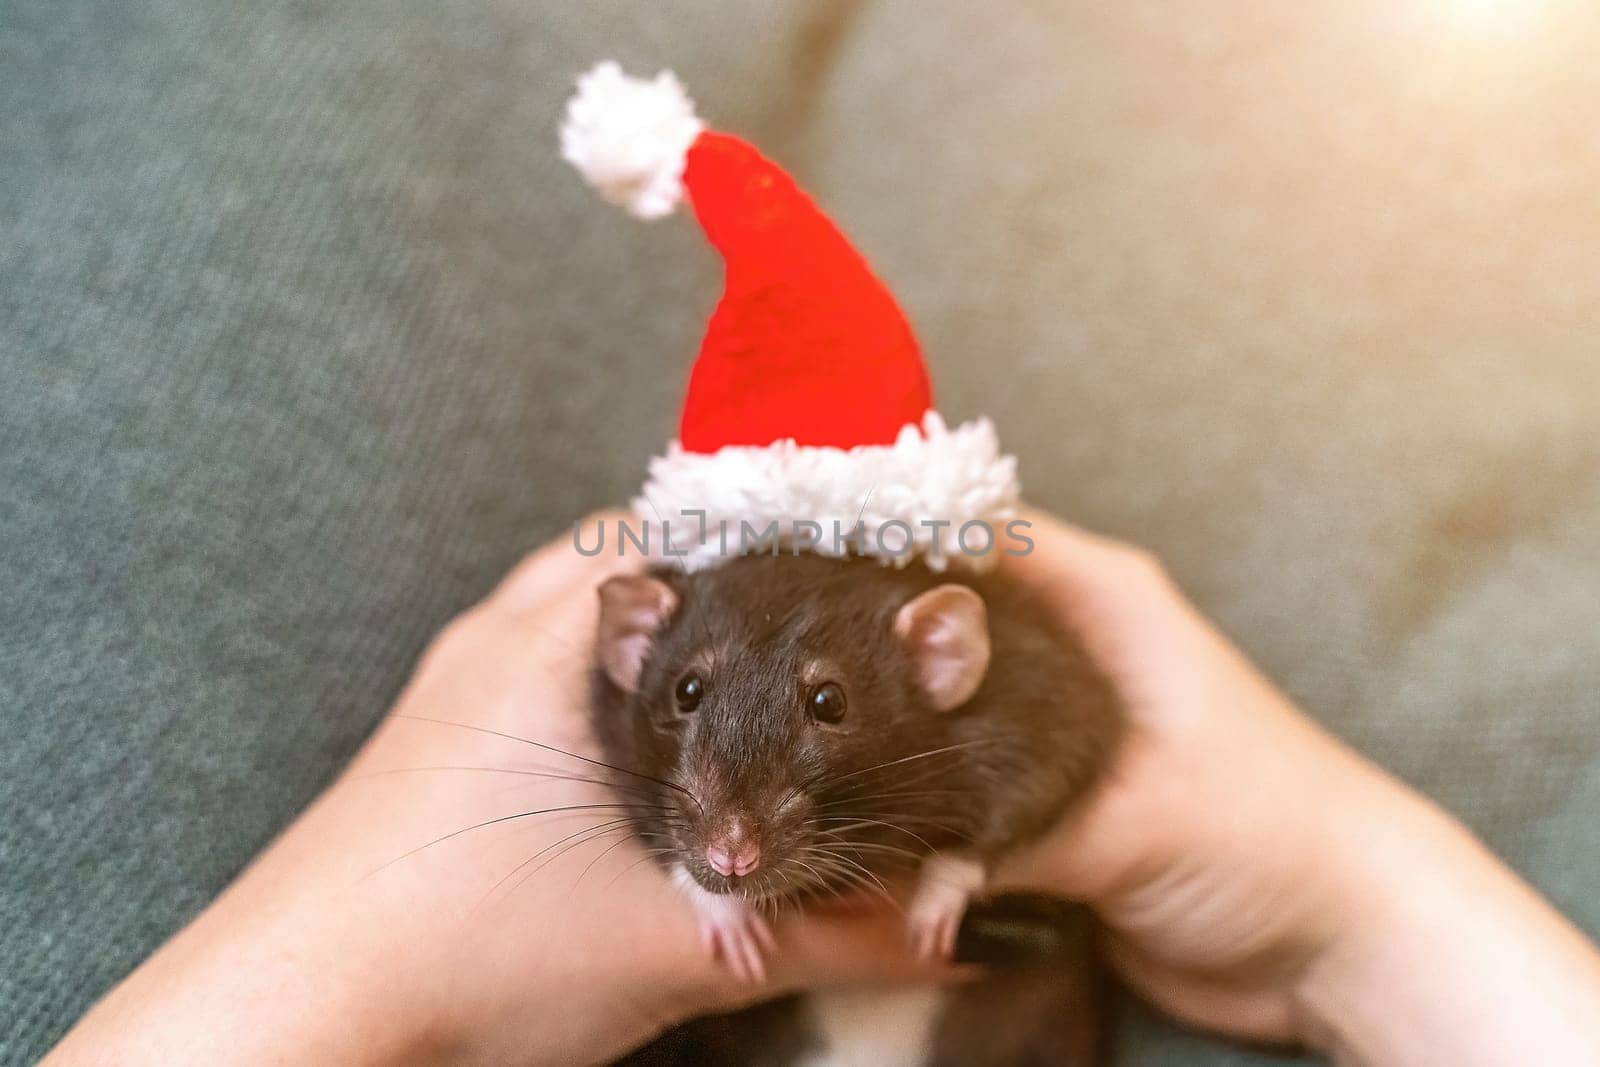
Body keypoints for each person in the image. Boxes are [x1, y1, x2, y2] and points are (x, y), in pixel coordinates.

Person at [42, 509, 1600, 1066]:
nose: (732, 824)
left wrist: (1356, 910)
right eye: (692, 698)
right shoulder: (633, 711)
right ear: (641, 641)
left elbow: (1054, 739)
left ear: (942, 656)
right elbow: (678, 803)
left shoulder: (991, 692)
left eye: (830, 709)